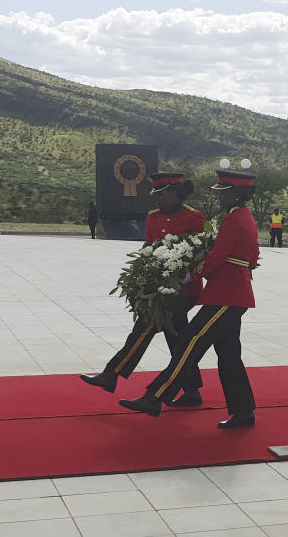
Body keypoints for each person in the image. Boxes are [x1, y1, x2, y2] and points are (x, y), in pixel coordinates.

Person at [119, 167, 260, 429]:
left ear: (237, 195)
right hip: (230, 293)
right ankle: (244, 411)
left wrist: (191, 271)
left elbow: (219, 256)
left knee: (190, 342)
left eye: (225, 193)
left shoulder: (233, 219)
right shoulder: (242, 216)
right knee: (228, 355)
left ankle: (155, 396)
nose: (221, 198)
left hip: (226, 296)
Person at [81, 172, 206, 406]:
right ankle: (191, 391)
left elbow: (199, 252)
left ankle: (112, 373)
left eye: (161, 195)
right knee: (177, 339)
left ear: (174, 194)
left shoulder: (194, 217)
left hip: (183, 290)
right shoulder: (153, 217)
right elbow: (148, 247)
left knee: (143, 329)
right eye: (156, 196)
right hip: (158, 288)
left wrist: (181, 275)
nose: (157, 200)